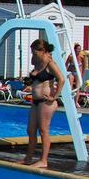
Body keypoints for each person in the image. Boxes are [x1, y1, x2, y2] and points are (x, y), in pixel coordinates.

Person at [23, 38, 64, 168]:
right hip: (35, 101)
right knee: (30, 130)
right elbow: (35, 76)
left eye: (35, 53)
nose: (33, 55)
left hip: (46, 102)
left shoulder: (50, 63)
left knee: (43, 130)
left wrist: (55, 96)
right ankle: (28, 159)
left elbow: (61, 79)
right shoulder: (37, 62)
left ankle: (43, 160)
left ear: (43, 51)